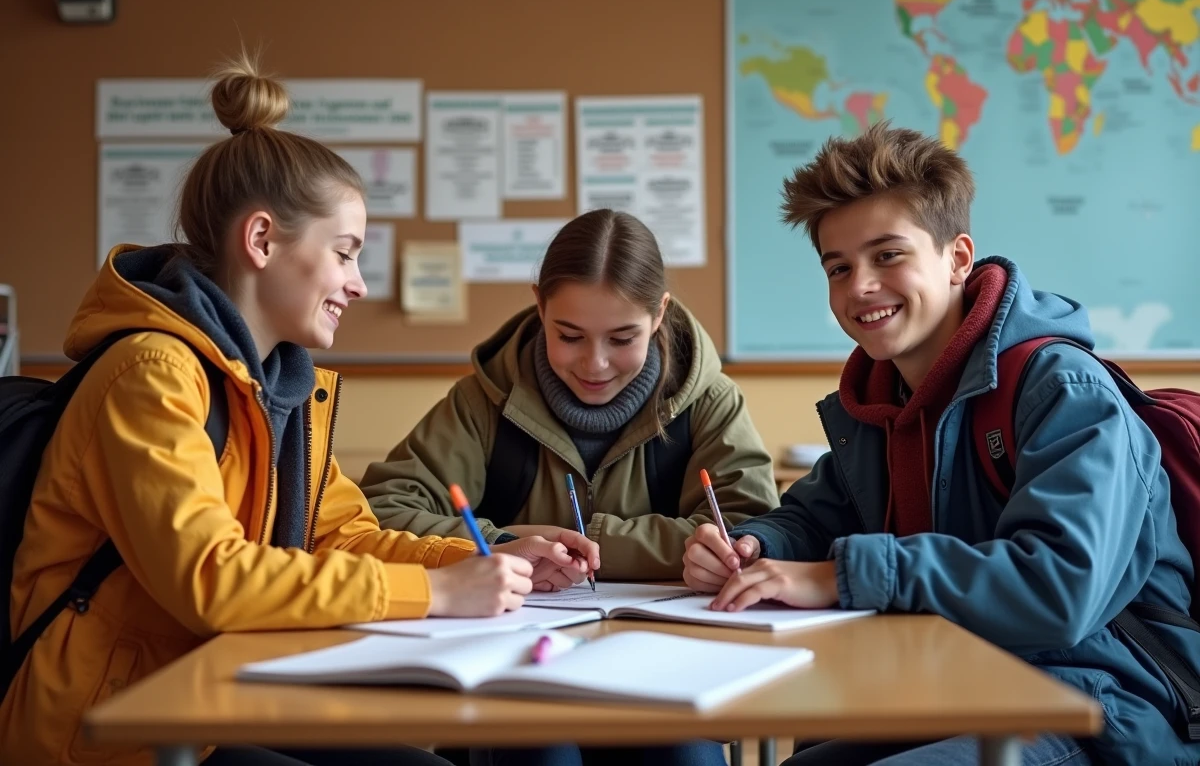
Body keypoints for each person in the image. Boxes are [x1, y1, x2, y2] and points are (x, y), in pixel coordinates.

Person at [0, 51, 586, 766]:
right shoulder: (150, 375)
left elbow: (337, 536)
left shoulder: (280, 383)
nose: (359, 284)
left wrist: (486, 558)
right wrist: (434, 590)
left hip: (211, 691)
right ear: (261, 240)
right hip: (108, 726)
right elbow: (212, 580)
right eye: (345, 253)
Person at [682, 122, 1200, 766]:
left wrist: (841, 577)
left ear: (958, 259)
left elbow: (1059, 588)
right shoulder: (879, 403)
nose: (860, 287)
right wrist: (757, 545)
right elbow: (818, 514)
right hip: (952, 685)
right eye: (838, 267)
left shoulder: (1062, 390)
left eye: (887, 255)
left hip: (1100, 702)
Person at [363, 208, 779, 765]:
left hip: (672, 662)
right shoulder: (481, 401)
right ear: (539, 306)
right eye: (569, 335)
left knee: (680, 751)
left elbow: (754, 529)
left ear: (660, 314)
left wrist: (615, 543)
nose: (595, 363)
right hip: (516, 661)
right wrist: (504, 543)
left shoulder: (709, 401)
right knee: (538, 744)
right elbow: (383, 511)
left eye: (623, 337)